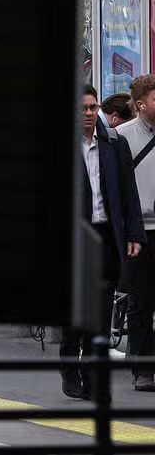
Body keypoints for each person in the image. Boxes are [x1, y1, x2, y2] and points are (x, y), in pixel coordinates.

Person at [62, 85, 144, 400]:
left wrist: (134, 233)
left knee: (99, 308)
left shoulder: (114, 144)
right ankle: (70, 366)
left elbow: (129, 193)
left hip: (106, 237)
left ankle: (91, 374)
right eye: (82, 108)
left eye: (93, 107)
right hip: (73, 239)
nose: (88, 113)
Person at [116, 75, 155, 392]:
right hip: (138, 231)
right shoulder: (120, 137)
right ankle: (143, 368)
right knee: (141, 301)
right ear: (141, 104)